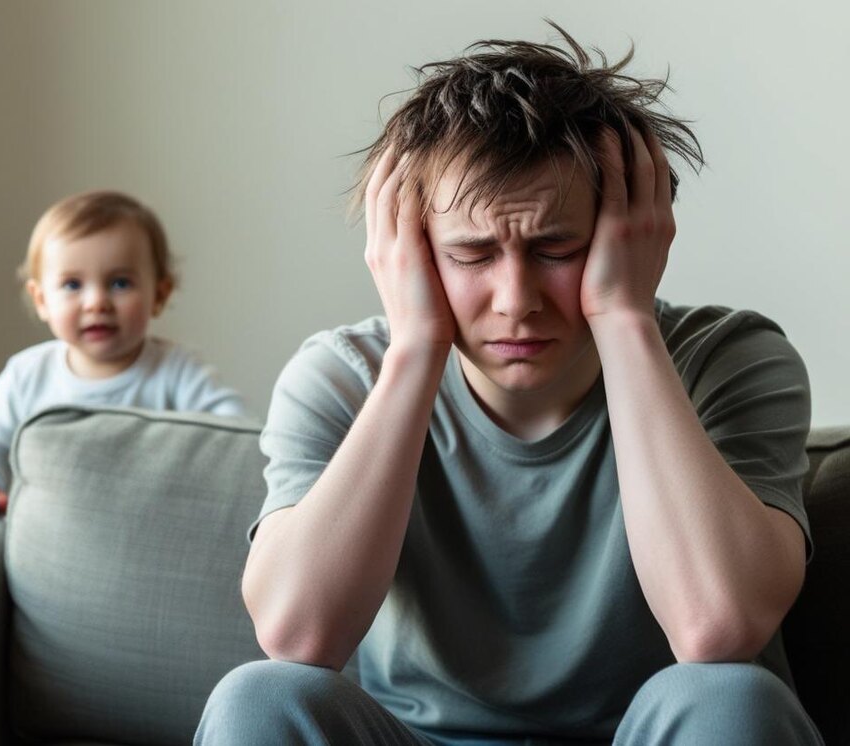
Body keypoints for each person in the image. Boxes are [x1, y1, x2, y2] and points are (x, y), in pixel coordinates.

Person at [196, 26, 823, 746]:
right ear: (406, 252)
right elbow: (299, 635)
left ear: (638, 235)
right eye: (471, 254)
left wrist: (623, 319)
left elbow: (719, 625)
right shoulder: (340, 376)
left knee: (731, 700)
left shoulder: (732, 360)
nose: (515, 298)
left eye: (557, 248)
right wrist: (415, 351)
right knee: (261, 697)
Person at [0, 190, 246, 520]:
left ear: (159, 294)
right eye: (73, 285)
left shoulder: (177, 371)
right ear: (42, 300)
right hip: (49, 536)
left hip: (152, 526)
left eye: (119, 283)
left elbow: (234, 436)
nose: (96, 303)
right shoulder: (28, 374)